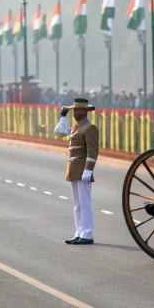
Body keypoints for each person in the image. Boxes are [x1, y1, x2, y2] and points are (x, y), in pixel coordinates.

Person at [54, 98, 99, 245]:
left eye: (76, 110)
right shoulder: (76, 127)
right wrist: (62, 116)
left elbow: (93, 151)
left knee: (85, 203)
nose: (74, 112)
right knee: (77, 204)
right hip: (74, 169)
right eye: (73, 110)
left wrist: (88, 170)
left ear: (84, 112)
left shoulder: (89, 127)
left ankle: (87, 233)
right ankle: (79, 231)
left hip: (83, 170)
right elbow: (59, 132)